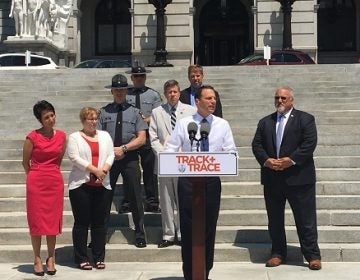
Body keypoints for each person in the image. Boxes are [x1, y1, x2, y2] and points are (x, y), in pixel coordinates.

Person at [165, 85, 237, 280]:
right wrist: (179, 161)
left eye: (214, 98)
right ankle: (190, 273)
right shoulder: (185, 123)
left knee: (209, 227)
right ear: (197, 101)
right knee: (188, 229)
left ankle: (205, 271)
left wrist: (217, 160)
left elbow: (231, 152)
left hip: (211, 182)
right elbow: (171, 148)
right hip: (188, 182)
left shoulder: (222, 124)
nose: (213, 101)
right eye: (208, 98)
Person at [251, 86, 322, 270]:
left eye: (283, 98)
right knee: (275, 220)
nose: (280, 101)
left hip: (299, 179)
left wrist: (290, 161)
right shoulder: (265, 122)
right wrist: (266, 161)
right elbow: (257, 145)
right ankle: (277, 253)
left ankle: (312, 255)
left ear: (291, 100)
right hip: (273, 179)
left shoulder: (305, 119)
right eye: (277, 97)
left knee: (306, 220)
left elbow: (309, 143)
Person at [98, 74, 148, 248]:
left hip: (130, 157)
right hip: (108, 159)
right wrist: (110, 151)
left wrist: (124, 148)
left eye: (122, 90)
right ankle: (100, 235)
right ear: (112, 91)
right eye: (116, 90)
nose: (119, 93)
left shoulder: (135, 112)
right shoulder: (104, 112)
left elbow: (142, 138)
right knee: (104, 197)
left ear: (127, 91)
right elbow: (97, 136)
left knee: (135, 196)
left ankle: (140, 234)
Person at [149, 80, 196, 248]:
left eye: (175, 91)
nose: (172, 95)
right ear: (165, 94)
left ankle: (183, 233)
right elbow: (153, 137)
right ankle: (168, 234)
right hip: (164, 162)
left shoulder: (191, 111)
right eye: (169, 92)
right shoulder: (157, 112)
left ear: (179, 93)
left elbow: (194, 133)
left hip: (184, 161)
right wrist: (164, 155)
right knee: (166, 200)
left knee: (183, 200)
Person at [22, 100, 66, 276]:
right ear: (40, 120)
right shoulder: (32, 137)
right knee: (37, 221)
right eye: (46, 117)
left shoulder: (62, 136)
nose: (51, 119)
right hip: (36, 180)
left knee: (52, 221)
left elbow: (59, 159)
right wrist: (35, 175)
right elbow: (25, 162)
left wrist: (51, 171)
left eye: (52, 115)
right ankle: (37, 258)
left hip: (54, 180)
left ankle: (51, 257)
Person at [67, 107, 114, 270]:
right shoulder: (74, 137)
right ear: (83, 120)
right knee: (81, 223)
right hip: (81, 186)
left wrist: (104, 170)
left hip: (102, 184)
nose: (93, 122)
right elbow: (74, 157)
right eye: (90, 119)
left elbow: (111, 155)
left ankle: (99, 257)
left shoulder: (105, 136)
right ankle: (81, 257)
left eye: (95, 119)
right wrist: (95, 170)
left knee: (99, 223)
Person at [124, 64, 162, 213]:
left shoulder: (153, 95)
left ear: (145, 77)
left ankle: (152, 201)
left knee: (149, 170)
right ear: (132, 78)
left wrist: (145, 120)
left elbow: (158, 114)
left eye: (141, 76)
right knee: (129, 171)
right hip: (131, 137)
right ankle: (128, 201)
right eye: (136, 76)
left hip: (147, 136)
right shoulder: (126, 94)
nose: (139, 78)